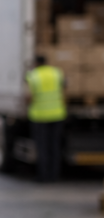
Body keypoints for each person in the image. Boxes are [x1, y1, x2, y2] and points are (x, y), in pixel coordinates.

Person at [26, 54, 66, 182]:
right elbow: (64, 90)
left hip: (40, 116)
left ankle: (43, 176)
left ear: (36, 63)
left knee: (42, 147)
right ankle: (54, 175)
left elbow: (29, 96)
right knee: (54, 146)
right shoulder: (57, 73)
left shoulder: (33, 75)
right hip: (57, 114)